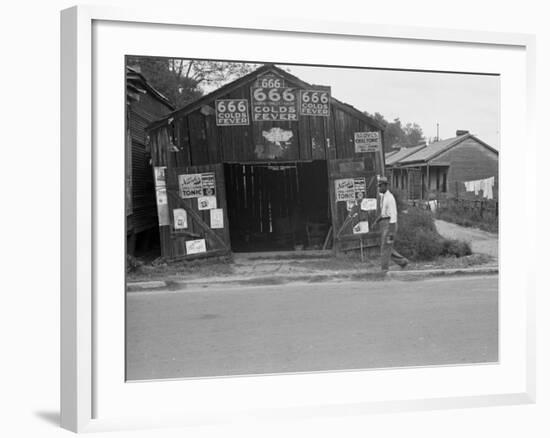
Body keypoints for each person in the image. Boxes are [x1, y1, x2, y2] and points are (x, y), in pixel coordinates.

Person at [373, 176, 408, 272]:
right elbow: (384, 213)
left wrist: (391, 230)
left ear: (385, 186)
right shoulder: (384, 197)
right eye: (378, 186)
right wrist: (377, 221)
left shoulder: (390, 198)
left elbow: (393, 214)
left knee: (385, 247)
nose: (379, 188)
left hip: (390, 225)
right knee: (387, 247)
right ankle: (402, 262)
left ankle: (384, 269)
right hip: (385, 223)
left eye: (380, 186)